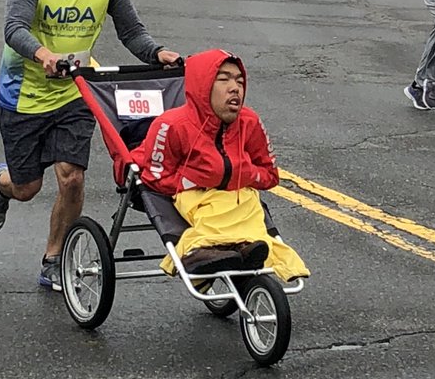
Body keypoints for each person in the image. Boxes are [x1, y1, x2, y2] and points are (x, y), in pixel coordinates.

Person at [0, 0, 180, 291]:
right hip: (24, 92)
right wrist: (42, 54)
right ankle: (1, 184)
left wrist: (158, 53)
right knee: (27, 188)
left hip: (76, 92)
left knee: (72, 178)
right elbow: (14, 27)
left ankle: (54, 258)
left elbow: (131, 31)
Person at [132, 49, 309, 282]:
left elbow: (269, 174)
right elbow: (154, 177)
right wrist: (192, 179)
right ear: (203, 86)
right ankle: (198, 252)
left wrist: (242, 173)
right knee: (210, 212)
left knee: (250, 207)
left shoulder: (250, 122)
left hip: (237, 191)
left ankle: (245, 248)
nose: (235, 87)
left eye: (240, 80)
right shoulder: (171, 125)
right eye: (223, 79)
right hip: (194, 194)